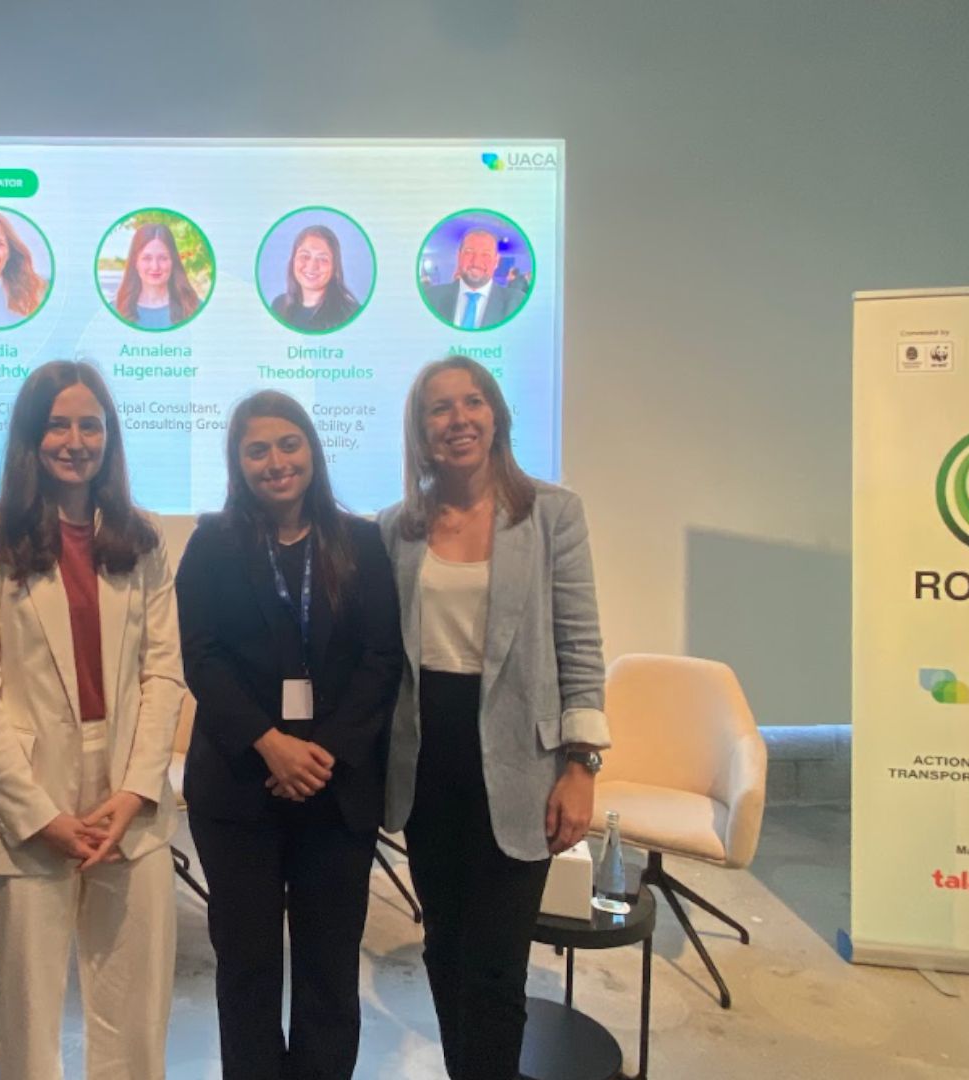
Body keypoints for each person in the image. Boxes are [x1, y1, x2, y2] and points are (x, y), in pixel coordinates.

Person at [0, 361, 184, 1079]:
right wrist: (37, 814)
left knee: (136, 1015)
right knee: (25, 1021)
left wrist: (135, 790)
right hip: (24, 796)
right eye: (58, 423)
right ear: (30, 436)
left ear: (110, 438)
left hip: (126, 792)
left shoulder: (140, 541)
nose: (75, 439)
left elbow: (163, 673)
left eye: (90, 424)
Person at [377, 356, 609, 1080]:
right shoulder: (397, 527)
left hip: (521, 765)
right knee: (445, 948)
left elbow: (580, 642)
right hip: (428, 759)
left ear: (497, 414)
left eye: (472, 402)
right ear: (421, 430)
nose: (458, 420)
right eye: (440, 409)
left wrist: (581, 764)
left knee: (498, 963)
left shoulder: (550, 514)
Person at [175, 390, 403, 1080]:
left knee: (330, 968)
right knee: (246, 966)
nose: (275, 462)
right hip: (238, 788)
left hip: (336, 794)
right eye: (257, 450)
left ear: (312, 449)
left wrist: (322, 752)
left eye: (288, 444)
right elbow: (200, 656)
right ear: (237, 463)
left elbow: (381, 658)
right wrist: (270, 743)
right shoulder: (211, 543)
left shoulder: (360, 541)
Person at [423, 228, 526, 330]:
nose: (476, 262)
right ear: (459, 257)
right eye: (469, 252)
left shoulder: (517, 303)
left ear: (496, 261)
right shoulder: (430, 298)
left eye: (485, 254)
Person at [269, 223, 362, 332]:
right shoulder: (278, 306)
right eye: (305, 256)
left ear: (334, 267)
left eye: (323, 259)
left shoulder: (352, 314)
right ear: (293, 260)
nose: (312, 266)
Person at [112, 221, 203, 330]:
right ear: (135, 262)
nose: (155, 267)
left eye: (163, 258)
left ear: (173, 261)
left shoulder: (195, 309)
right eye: (147, 258)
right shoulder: (114, 311)